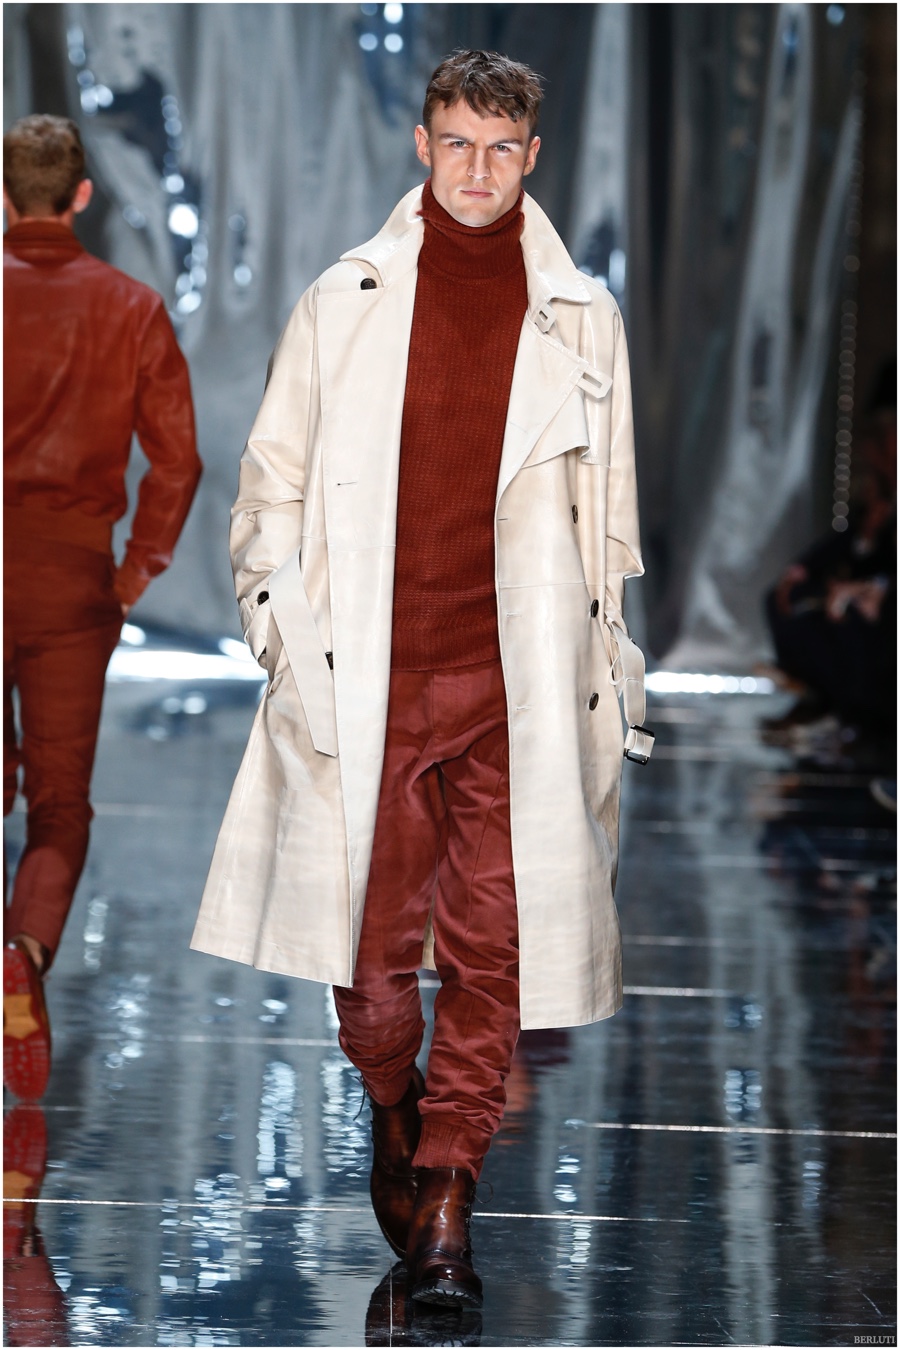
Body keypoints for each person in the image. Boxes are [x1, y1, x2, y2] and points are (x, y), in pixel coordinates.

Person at [192, 49, 651, 1308]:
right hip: (373, 675)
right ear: (422, 145)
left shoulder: (581, 316)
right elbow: (270, 488)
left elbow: (610, 522)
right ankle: (395, 1101)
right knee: (372, 962)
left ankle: (448, 1194)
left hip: (518, 681)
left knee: (497, 946)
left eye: (502, 150)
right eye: (458, 145)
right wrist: (285, 635)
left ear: (534, 157)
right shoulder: (344, 300)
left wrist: (602, 661)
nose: (478, 173)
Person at [3, 115, 202, 1100]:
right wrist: (129, 578)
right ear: (82, 196)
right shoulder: (130, 307)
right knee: (60, 804)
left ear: (5, 198)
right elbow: (178, 461)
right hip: (74, 583)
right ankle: (25, 951)